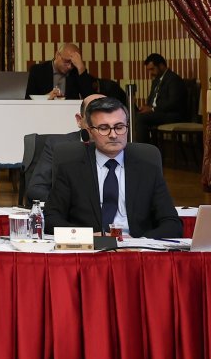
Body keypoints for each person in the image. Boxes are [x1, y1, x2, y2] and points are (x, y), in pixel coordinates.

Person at [44, 97, 181, 238]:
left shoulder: (148, 171)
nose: (114, 135)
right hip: (90, 250)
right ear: (90, 132)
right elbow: (50, 219)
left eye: (119, 127)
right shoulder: (71, 170)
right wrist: (87, 236)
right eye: (104, 128)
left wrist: (140, 241)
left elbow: (172, 223)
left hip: (135, 248)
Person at [24, 93, 103, 203]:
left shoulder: (119, 148)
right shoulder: (57, 146)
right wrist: (69, 204)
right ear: (79, 120)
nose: (100, 123)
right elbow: (36, 189)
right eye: (93, 117)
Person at [26, 44, 96, 100]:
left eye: (73, 64)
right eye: (66, 61)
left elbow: (90, 99)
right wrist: (46, 98)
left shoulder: (77, 72)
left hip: (70, 114)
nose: (69, 67)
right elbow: (28, 100)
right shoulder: (38, 70)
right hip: (43, 112)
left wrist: (81, 68)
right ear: (57, 55)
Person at [136, 53, 187, 130]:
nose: (150, 73)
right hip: (158, 113)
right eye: (149, 70)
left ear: (161, 66)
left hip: (171, 115)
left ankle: (143, 142)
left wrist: (152, 109)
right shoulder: (156, 80)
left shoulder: (173, 79)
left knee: (141, 118)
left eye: (152, 69)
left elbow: (173, 103)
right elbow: (151, 99)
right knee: (133, 115)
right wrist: (146, 108)